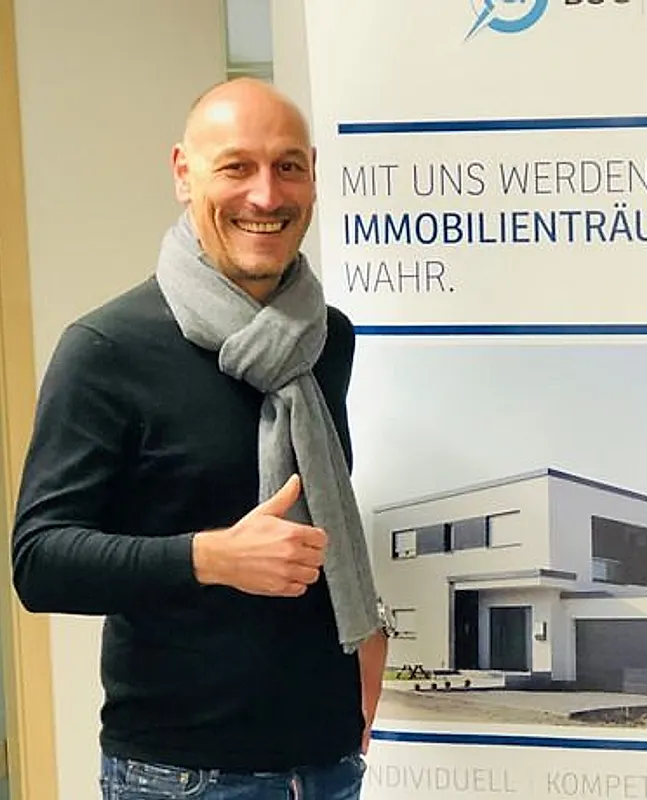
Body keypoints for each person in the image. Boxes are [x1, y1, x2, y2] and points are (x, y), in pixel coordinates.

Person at [10, 77, 387, 798]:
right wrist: (210, 558)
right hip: (181, 774)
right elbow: (40, 561)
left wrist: (363, 629)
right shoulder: (106, 349)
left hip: (327, 763)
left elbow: (323, 516)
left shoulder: (327, 339)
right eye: (236, 167)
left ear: (312, 174)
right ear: (184, 173)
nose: (266, 196)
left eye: (287, 166)